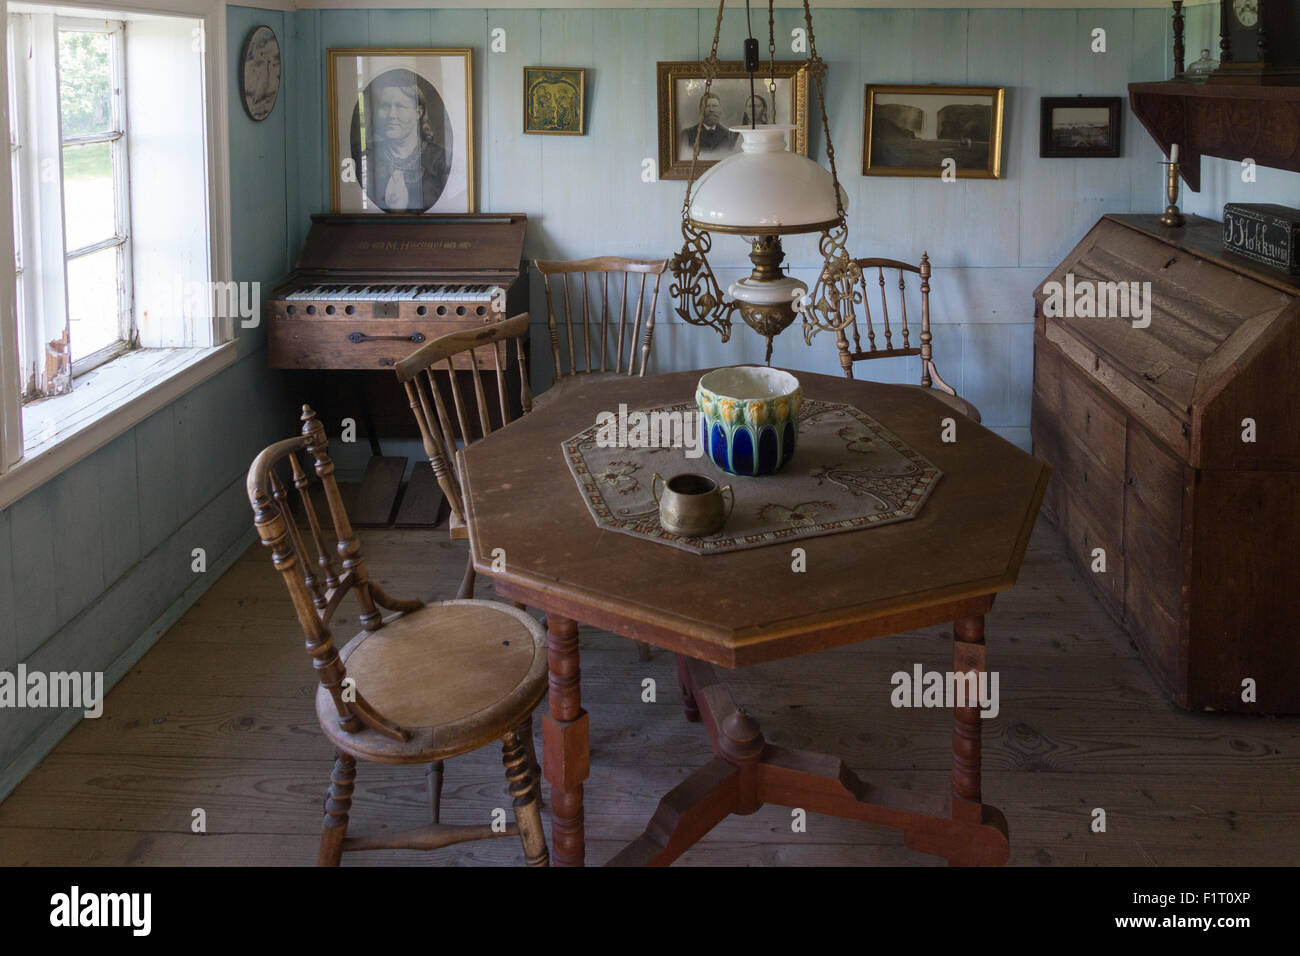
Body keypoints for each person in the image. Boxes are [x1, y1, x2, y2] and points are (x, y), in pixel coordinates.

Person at [352, 69, 451, 212]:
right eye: (385, 106)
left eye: (400, 107)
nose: (391, 115)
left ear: (418, 112)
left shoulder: (441, 160)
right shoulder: (365, 158)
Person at [679, 92, 737, 157]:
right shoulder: (687, 135)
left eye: (715, 106)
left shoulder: (730, 136)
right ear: (701, 110)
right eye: (707, 106)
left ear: (720, 110)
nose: (711, 110)